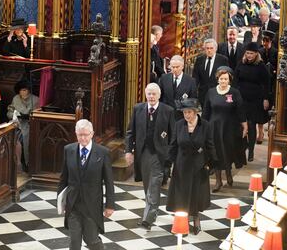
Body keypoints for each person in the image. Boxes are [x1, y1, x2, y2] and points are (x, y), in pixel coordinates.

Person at [57, 119, 114, 250]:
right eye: (79, 135)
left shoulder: (102, 152)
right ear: (76, 134)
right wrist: (61, 201)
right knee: (74, 241)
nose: (83, 138)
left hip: (92, 206)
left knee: (91, 239)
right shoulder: (68, 150)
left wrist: (110, 205)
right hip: (73, 204)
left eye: (86, 134)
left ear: (92, 134)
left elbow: (109, 181)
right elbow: (63, 178)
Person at [125, 83, 175, 230]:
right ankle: (152, 211)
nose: (151, 96)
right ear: (145, 95)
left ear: (159, 95)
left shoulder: (168, 111)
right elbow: (130, 132)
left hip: (159, 155)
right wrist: (128, 151)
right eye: (149, 94)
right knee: (148, 185)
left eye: (154, 94)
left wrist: (169, 155)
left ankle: (148, 218)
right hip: (143, 153)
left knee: (154, 185)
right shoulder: (138, 109)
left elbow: (173, 135)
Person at [166, 98, 217, 235]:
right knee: (181, 195)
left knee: (196, 194)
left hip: (198, 165)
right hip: (181, 165)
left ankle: (196, 219)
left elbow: (210, 145)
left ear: (195, 112)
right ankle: (182, 223)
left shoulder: (205, 125)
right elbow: (173, 145)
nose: (187, 115)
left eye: (189, 112)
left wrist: (211, 164)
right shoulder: (178, 125)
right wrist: (168, 164)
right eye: (184, 112)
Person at [203, 66, 248, 192]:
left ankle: (228, 173)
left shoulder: (234, 92)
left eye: (226, 79)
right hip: (214, 128)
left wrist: (244, 125)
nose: (223, 81)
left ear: (229, 80)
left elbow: (240, 110)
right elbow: (206, 111)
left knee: (227, 151)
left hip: (230, 128)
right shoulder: (211, 92)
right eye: (221, 79)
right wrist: (202, 127)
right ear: (218, 79)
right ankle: (218, 181)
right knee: (215, 153)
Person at [235, 43, 270, 162]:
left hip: (255, 100)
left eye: (251, 53)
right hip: (242, 99)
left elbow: (267, 83)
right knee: (241, 125)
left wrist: (266, 98)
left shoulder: (261, 66)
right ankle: (243, 147)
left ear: (256, 54)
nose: (249, 55)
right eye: (247, 53)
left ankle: (251, 150)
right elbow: (235, 80)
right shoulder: (241, 64)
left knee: (251, 124)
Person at [7, 80, 40, 171]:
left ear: (29, 90)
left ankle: (27, 163)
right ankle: (14, 164)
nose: (23, 92)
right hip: (16, 124)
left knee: (26, 137)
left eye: (25, 90)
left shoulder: (36, 99)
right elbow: (10, 111)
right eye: (21, 90)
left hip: (29, 125)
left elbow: (37, 115)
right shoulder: (16, 98)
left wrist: (27, 116)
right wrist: (13, 116)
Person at [158, 55, 197, 119]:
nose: (175, 69)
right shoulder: (164, 78)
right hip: (165, 115)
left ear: (182, 66)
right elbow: (160, 97)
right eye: (173, 67)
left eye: (177, 67)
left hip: (181, 117)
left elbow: (192, 101)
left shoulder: (191, 81)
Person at [192, 39, 229, 107]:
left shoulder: (223, 60)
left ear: (216, 48)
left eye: (211, 48)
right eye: (207, 48)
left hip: (218, 93)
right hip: (203, 94)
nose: (209, 50)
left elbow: (226, 78)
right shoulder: (199, 60)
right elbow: (195, 77)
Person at [257, 30, 278, 144]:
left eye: (267, 41)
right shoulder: (259, 51)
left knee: (271, 108)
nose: (265, 43)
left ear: (271, 42)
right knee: (260, 110)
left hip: (272, 83)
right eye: (264, 41)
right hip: (261, 84)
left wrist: (272, 69)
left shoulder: (275, 52)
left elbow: (277, 68)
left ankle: (271, 130)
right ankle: (260, 132)